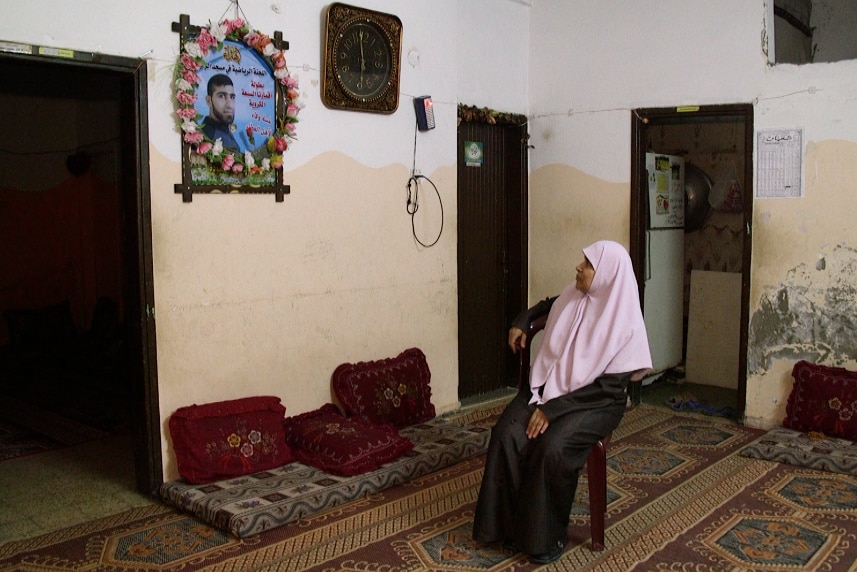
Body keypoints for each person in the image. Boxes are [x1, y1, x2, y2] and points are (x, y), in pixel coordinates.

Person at [472, 240, 652, 564]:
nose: (578, 268)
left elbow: (608, 390)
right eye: (582, 261)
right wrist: (521, 320)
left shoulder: (625, 323)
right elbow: (545, 305)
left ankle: (547, 538)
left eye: (587, 264)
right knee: (506, 433)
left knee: (552, 447)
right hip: (549, 388)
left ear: (607, 275)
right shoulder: (575, 295)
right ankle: (510, 529)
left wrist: (551, 410)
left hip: (596, 404)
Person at [200, 73, 242, 152]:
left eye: (232, 97)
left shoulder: (222, 128)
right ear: (209, 101)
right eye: (221, 96)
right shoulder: (211, 137)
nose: (230, 105)